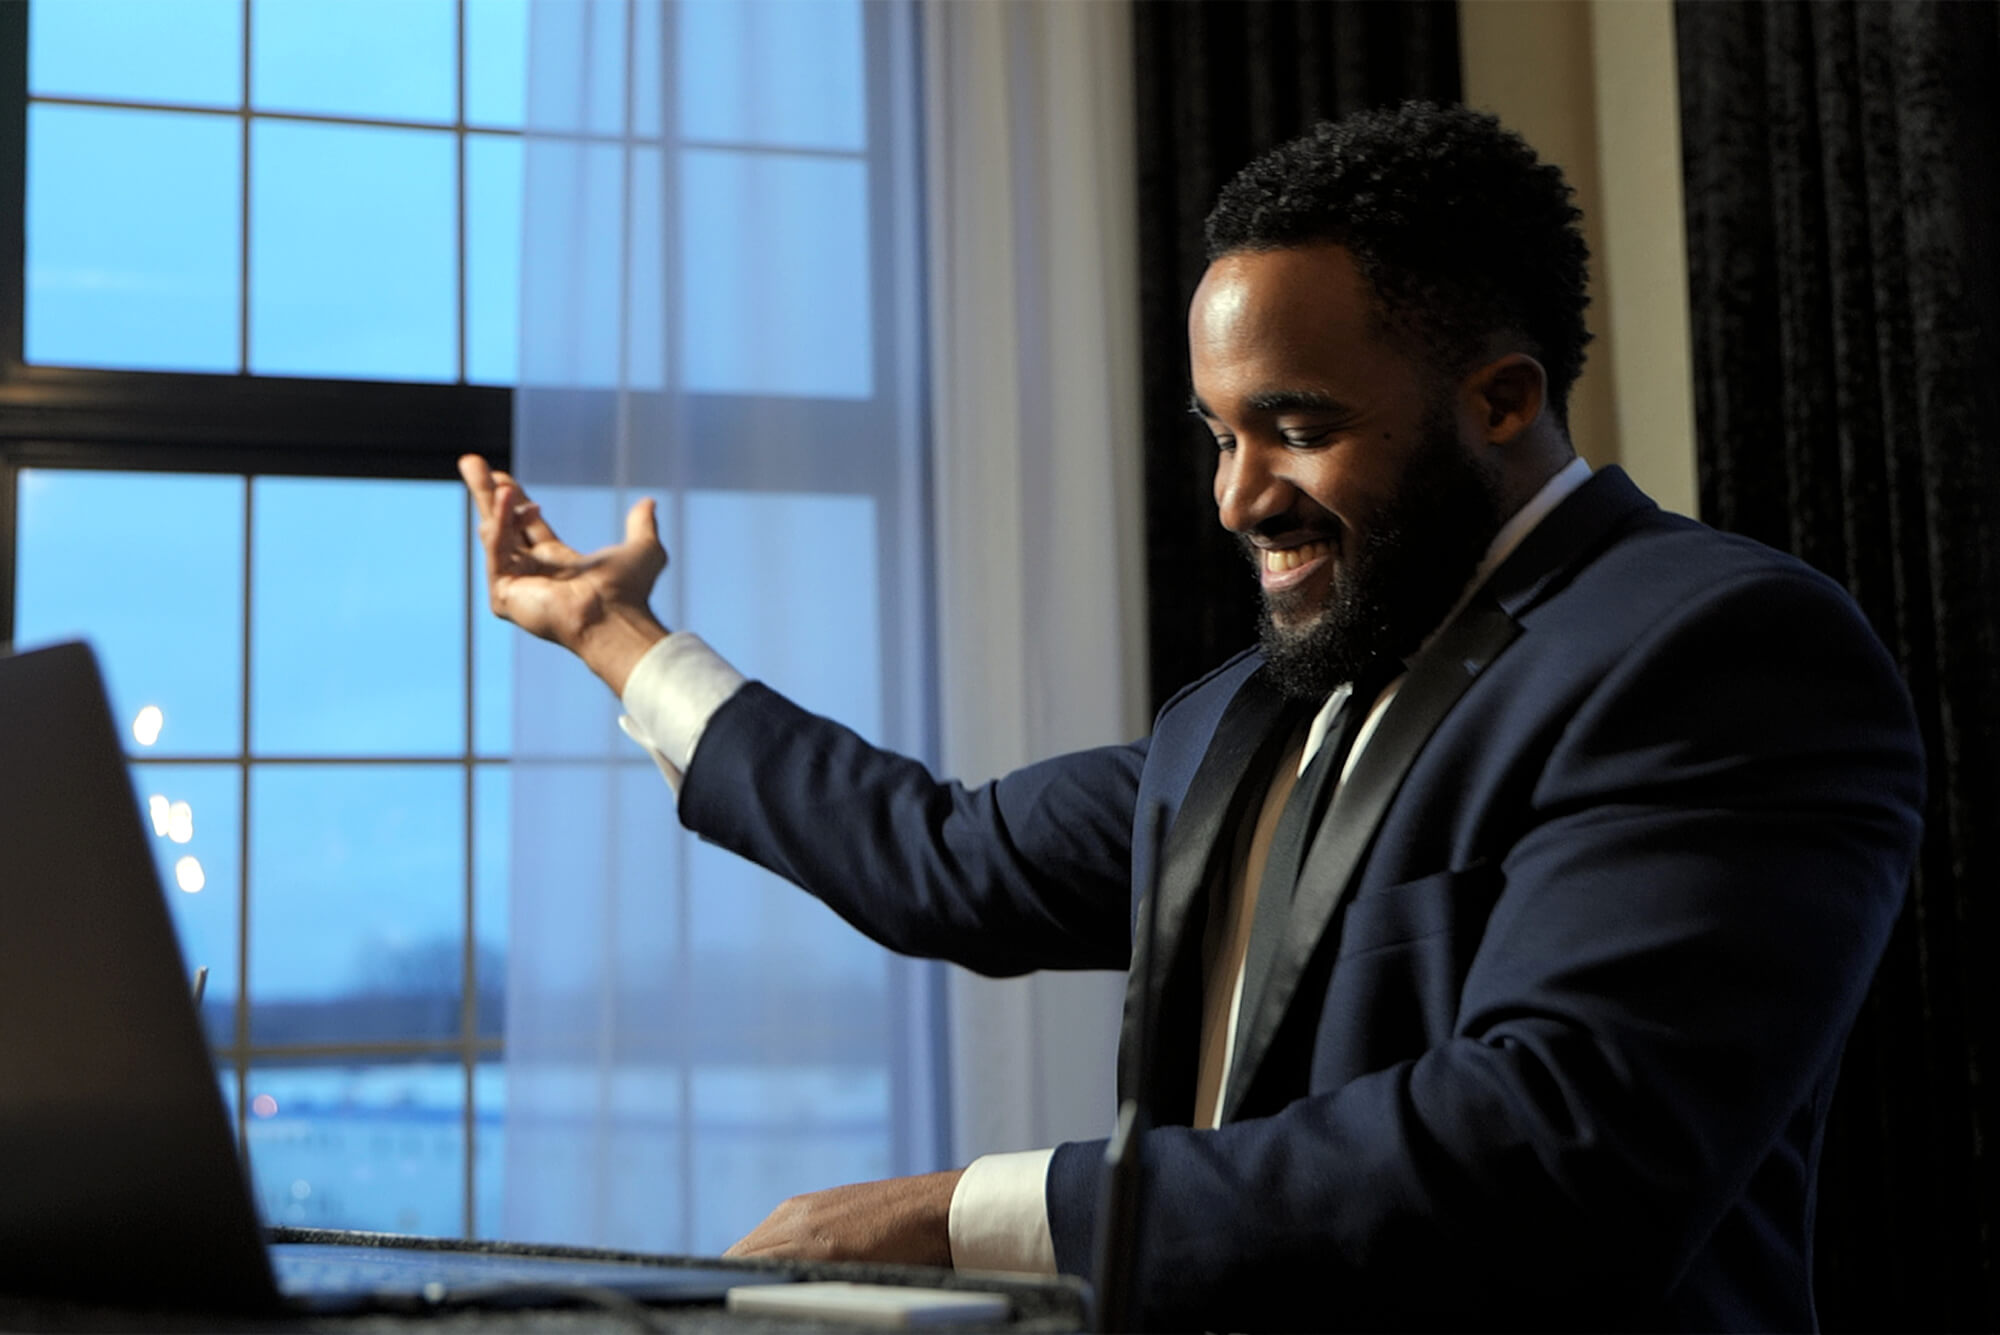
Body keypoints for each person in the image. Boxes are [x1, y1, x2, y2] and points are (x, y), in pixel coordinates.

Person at [460, 103, 1924, 1330]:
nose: (1236, 498)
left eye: (1297, 429)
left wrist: (970, 1215)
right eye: (1219, 436)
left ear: (1501, 396)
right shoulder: (1235, 715)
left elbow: (1556, 1147)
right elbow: (935, 856)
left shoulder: (1721, 651)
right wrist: (611, 629)